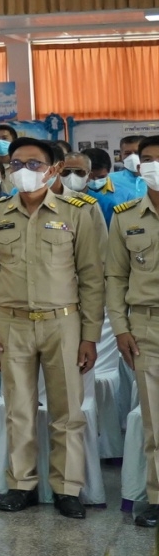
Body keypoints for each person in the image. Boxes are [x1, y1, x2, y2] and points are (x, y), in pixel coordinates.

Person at [0, 137, 104, 518]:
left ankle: (67, 488)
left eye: (33, 164)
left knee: (67, 410)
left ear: (53, 169)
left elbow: (93, 279)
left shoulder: (80, 212)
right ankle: (22, 484)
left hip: (62, 323)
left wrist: (90, 336)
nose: (23, 172)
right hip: (11, 323)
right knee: (17, 409)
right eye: (16, 164)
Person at [106, 180, 159, 526]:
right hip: (147, 324)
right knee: (154, 419)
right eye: (151, 160)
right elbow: (115, 276)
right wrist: (121, 328)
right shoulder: (125, 217)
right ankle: (157, 496)